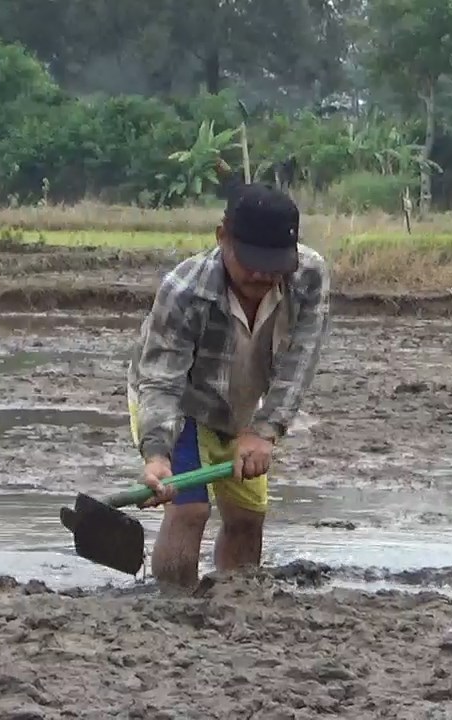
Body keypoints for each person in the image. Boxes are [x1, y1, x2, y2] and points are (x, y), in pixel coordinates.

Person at [126, 182, 330, 588]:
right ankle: (173, 605)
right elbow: (162, 381)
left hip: (244, 410)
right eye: (251, 260)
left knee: (247, 517)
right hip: (182, 403)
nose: (261, 275)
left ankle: (235, 599)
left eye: (273, 264)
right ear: (223, 237)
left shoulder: (308, 277)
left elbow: (299, 360)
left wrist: (265, 430)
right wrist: (157, 454)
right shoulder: (184, 292)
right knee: (189, 510)